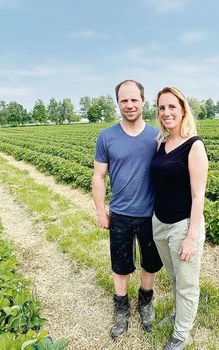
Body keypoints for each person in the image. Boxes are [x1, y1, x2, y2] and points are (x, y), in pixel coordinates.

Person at [92, 79, 163, 339]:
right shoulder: (106, 136)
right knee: (120, 265)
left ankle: (145, 301)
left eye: (134, 99)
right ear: (118, 103)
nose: (129, 104)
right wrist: (101, 211)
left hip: (151, 214)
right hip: (120, 214)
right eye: (124, 100)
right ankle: (121, 308)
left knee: (151, 263)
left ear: (143, 101)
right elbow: (98, 176)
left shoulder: (157, 136)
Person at [150, 87, 209, 350]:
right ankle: (179, 316)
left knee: (187, 283)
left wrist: (191, 237)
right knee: (175, 278)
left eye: (172, 107)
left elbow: (198, 196)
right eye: (162, 108)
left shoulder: (194, 146)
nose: (166, 113)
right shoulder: (161, 143)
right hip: (159, 223)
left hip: (182, 225)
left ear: (183, 109)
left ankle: (182, 334)